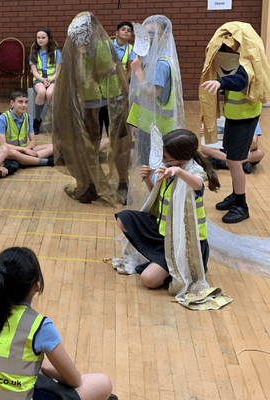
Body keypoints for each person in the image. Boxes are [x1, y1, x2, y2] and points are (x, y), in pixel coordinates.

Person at [0, 247, 115, 400]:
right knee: (102, 383)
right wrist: (45, 366)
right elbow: (75, 380)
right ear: (37, 286)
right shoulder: (39, 326)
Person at [114, 130, 232, 309]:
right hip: (163, 232)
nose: (162, 159)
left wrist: (177, 171)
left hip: (183, 244)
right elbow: (159, 196)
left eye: (166, 157)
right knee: (124, 219)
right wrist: (147, 179)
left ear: (182, 160)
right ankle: (160, 263)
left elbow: (199, 184)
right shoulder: (167, 167)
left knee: (148, 280)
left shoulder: (193, 171)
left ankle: (173, 270)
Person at [51, 12, 130, 205]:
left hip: (113, 99)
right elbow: (72, 77)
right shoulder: (75, 48)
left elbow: (111, 71)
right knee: (90, 144)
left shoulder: (106, 44)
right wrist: (79, 55)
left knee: (119, 142)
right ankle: (90, 184)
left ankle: (122, 183)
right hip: (90, 103)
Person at [200, 22, 270, 223]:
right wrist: (221, 85)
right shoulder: (232, 61)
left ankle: (241, 204)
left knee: (234, 161)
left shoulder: (248, 64)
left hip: (245, 117)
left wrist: (220, 83)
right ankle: (236, 195)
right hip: (234, 116)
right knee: (232, 159)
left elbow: (240, 80)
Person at [126, 16, 185, 207]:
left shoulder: (161, 63)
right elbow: (144, 101)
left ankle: (157, 206)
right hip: (148, 125)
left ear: (165, 37)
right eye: (146, 34)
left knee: (155, 168)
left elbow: (152, 94)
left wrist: (137, 71)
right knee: (147, 169)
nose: (148, 38)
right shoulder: (152, 59)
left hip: (158, 129)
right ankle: (153, 203)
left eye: (152, 33)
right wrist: (138, 121)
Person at [0, 89, 54, 167]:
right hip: (8, 152)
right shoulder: (3, 118)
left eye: (26, 102)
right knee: (13, 153)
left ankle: (26, 160)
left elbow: (33, 141)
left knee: (54, 147)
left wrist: (26, 150)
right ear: (12, 103)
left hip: (24, 150)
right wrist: (23, 150)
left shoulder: (27, 117)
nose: (24, 105)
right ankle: (44, 161)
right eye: (20, 102)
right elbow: (2, 144)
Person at [99, 22, 135, 137]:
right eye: (123, 29)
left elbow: (130, 70)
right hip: (105, 83)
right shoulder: (106, 45)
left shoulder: (131, 49)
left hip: (120, 84)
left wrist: (124, 84)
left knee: (117, 114)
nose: (126, 31)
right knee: (103, 110)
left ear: (131, 35)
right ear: (117, 33)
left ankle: (115, 139)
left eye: (129, 31)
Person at [29, 27, 62, 133]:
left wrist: (50, 80)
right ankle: (37, 120)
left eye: (43, 37)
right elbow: (34, 72)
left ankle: (53, 120)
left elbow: (58, 71)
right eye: (38, 37)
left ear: (49, 38)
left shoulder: (57, 52)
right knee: (42, 92)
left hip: (53, 79)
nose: (40, 40)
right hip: (39, 79)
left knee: (49, 93)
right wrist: (43, 80)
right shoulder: (33, 53)